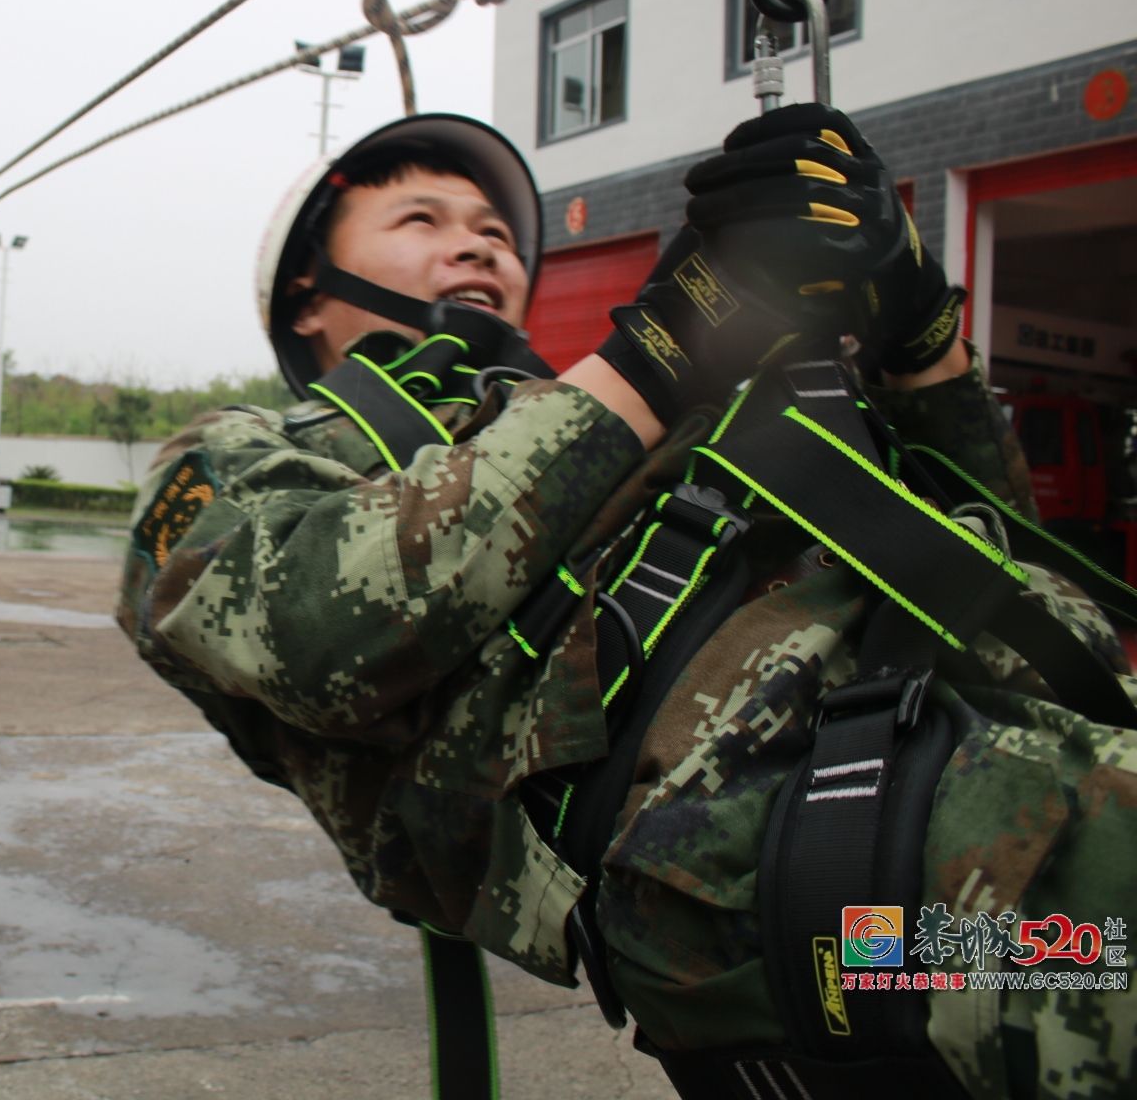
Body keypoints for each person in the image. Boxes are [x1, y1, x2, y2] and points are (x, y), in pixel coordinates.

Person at [116, 109, 1134, 1098]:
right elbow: (314, 635)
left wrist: (920, 340)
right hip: (850, 885)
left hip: (996, 752)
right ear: (307, 295)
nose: (474, 244)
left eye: (495, 231)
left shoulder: (634, 412)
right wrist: (668, 338)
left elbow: (995, 572)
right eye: (421, 220)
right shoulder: (243, 459)